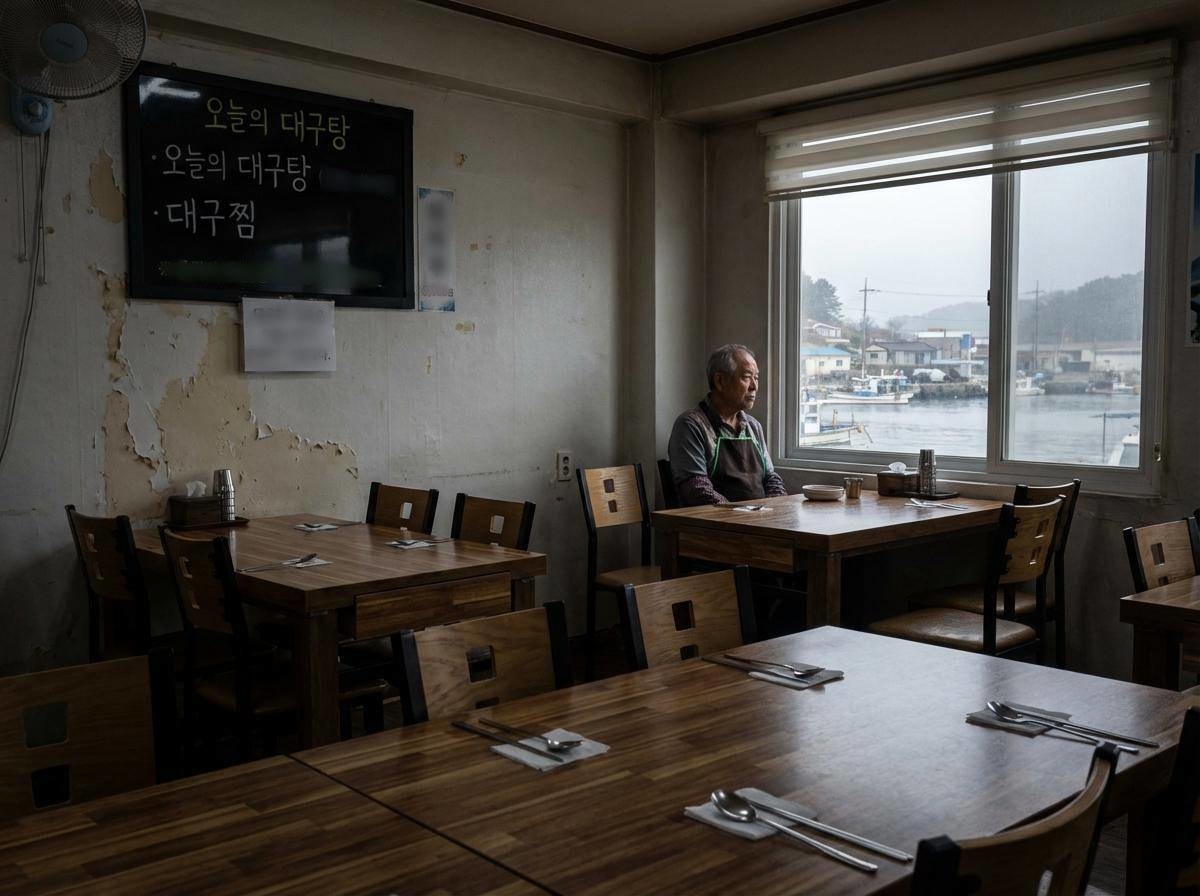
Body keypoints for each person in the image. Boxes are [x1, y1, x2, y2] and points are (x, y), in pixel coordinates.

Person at [668, 344, 788, 506]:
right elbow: (696, 489)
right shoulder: (691, 425)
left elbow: (771, 478)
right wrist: (741, 514)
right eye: (746, 377)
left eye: (756, 378)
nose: (754, 386)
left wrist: (777, 508)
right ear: (720, 381)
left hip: (759, 521)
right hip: (715, 526)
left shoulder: (753, 426)